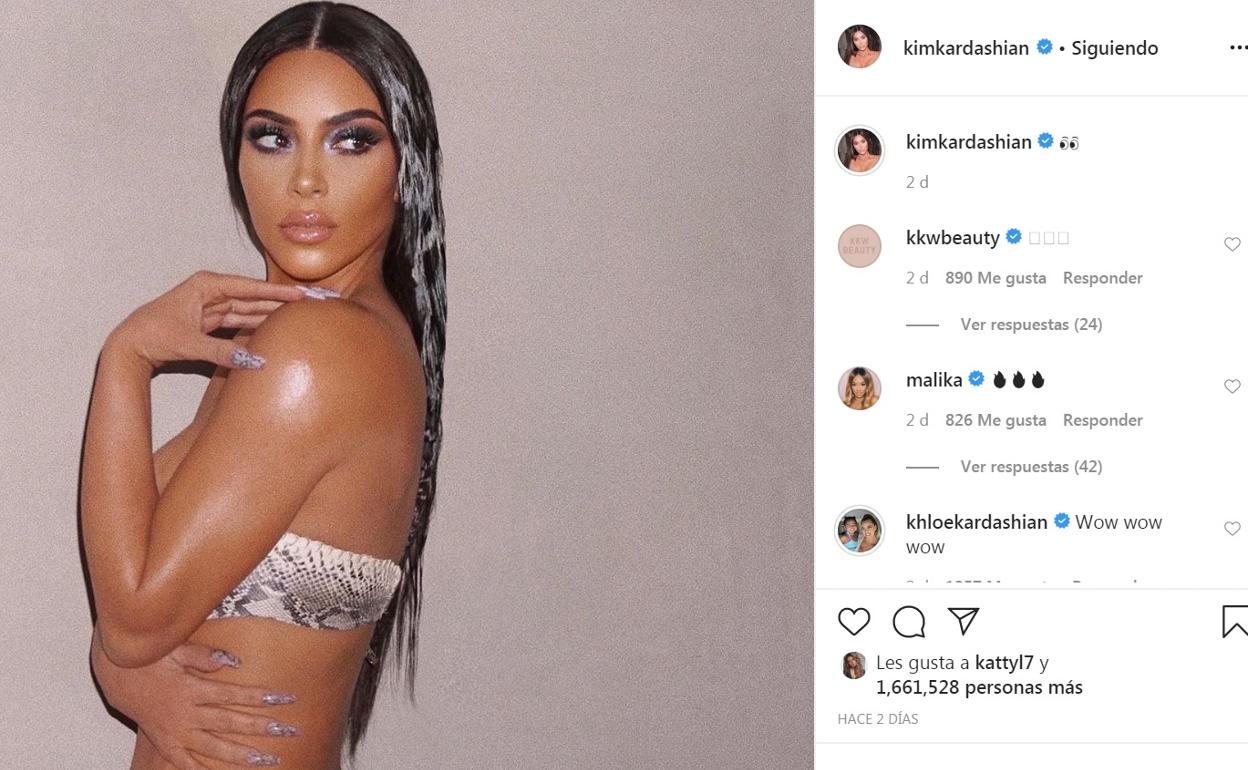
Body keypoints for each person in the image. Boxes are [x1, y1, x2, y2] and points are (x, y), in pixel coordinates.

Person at [81, 4, 447, 768]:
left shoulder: (316, 352)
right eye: (273, 138)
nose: (306, 180)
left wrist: (126, 356)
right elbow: (133, 582)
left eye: (351, 140)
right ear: (237, 157)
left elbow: (132, 621)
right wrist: (121, 660)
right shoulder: (298, 340)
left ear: (404, 165)